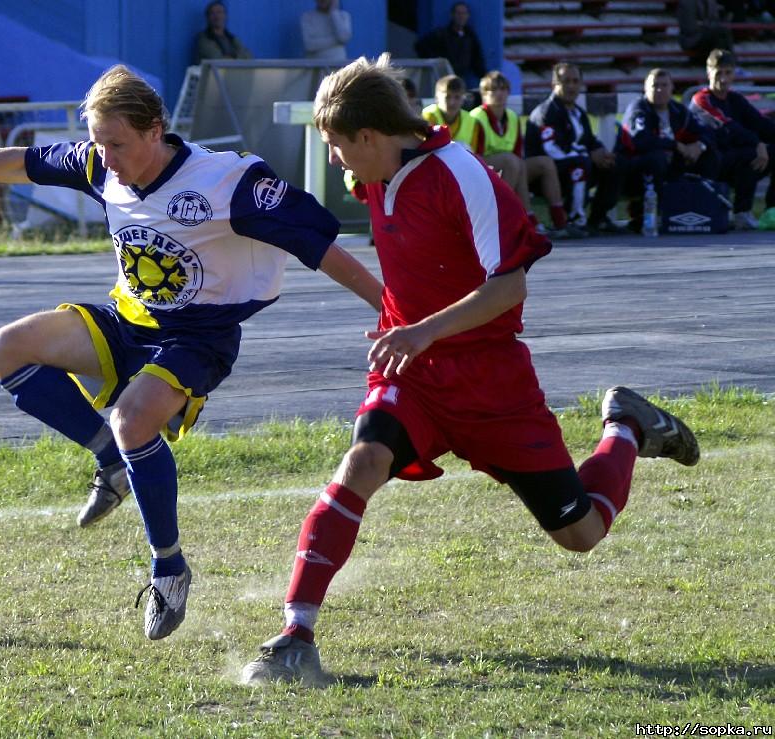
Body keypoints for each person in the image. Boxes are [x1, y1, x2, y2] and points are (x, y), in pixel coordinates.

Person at [240, 54, 699, 686]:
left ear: (370, 137)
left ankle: (626, 426)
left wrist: (423, 329)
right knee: (362, 463)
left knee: (581, 532)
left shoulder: (462, 174)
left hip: (492, 384)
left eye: (336, 145)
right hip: (413, 374)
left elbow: (508, 287)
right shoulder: (377, 169)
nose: (335, 160)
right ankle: (296, 635)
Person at [0, 65, 382, 642]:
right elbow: (24, 163)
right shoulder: (100, 163)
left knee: (132, 416)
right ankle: (111, 462)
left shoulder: (229, 183)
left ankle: (169, 567)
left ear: (156, 130)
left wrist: (394, 311)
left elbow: (322, 250)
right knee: (7, 349)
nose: (105, 156)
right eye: (98, 142)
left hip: (197, 337)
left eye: (116, 143)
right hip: (127, 322)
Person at [470, 70, 582, 238]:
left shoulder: (513, 117)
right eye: (493, 90)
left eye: (503, 89)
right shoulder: (477, 117)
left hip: (511, 169)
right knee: (511, 161)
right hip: (482, 172)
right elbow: (473, 157)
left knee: (544, 163)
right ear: (484, 94)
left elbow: (517, 152)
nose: (499, 94)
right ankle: (503, 219)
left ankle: (559, 221)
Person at [616, 68, 720, 231]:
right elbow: (640, 139)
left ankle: (703, 209)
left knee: (709, 155)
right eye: (654, 85)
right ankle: (644, 215)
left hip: (670, 166)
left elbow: (707, 132)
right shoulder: (639, 109)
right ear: (645, 88)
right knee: (656, 157)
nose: (659, 90)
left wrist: (699, 146)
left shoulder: (678, 111)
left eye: (664, 85)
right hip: (633, 170)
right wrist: (676, 145)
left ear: (672, 88)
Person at [525, 62, 624, 233]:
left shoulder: (578, 112)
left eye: (575, 81)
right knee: (581, 164)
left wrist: (601, 152)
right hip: (549, 175)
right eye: (565, 81)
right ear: (554, 84)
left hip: (574, 165)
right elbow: (552, 150)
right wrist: (588, 155)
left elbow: (589, 140)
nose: (571, 86)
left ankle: (597, 219)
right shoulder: (547, 112)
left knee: (615, 164)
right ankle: (573, 221)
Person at [689, 49, 775, 229]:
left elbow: (760, 123)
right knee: (752, 153)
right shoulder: (701, 99)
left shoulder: (735, 99)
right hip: (706, 164)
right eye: (718, 72)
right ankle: (741, 212)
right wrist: (757, 143)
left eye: (728, 72)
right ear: (708, 72)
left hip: (732, 160)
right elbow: (727, 126)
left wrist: (762, 141)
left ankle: (771, 210)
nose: (723, 78)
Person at [414, 2, 486, 89]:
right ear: (452, 15)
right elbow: (420, 46)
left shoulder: (470, 36)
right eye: (458, 13)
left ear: (468, 16)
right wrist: (438, 63)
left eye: (464, 13)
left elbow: (477, 61)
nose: (461, 16)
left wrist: (485, 78)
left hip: (461, 80)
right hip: (442, 79)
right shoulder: (441, 34)